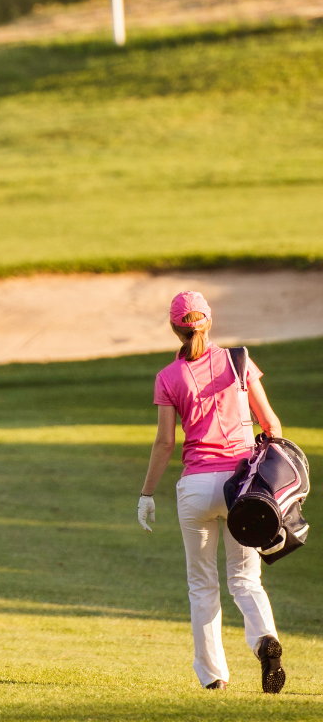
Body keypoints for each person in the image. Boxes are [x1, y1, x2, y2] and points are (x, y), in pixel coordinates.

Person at [138, 291, 286, 693]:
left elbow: (165, 443)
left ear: (175, 329)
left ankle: (213, 678)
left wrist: (146, 494)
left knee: (202, 585)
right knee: (245, 579)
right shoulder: (238, 361)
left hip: (196, 489)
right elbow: (270, 424)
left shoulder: (168, 377)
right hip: (242, 487)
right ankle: (264, 639)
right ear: (208, 321)